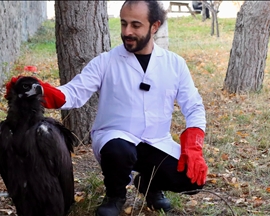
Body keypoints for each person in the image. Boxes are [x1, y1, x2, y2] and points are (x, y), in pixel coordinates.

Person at [37, 1, 208, 215]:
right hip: (115, 137)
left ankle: (148, 185)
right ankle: (115, 196)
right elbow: (74, 93)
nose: (127, 31)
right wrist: (40, 92)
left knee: (192, 179)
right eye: (124, 24)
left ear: (154, 26)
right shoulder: (106, 61)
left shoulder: (174, 64)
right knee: (120, 150)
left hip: (156, 141)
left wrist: (193, 144)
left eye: (136, 25)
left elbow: (194, 106)